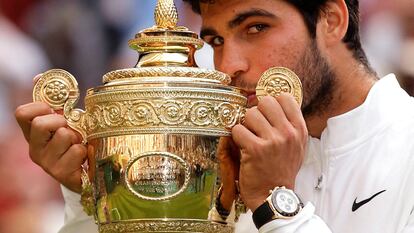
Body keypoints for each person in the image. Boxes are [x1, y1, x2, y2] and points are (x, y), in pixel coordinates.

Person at [14, 0, 414, 233]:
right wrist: (93, 192)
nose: (229, 65)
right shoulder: (226, 157)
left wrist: (276, 204)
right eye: (216, 40)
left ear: (332, 20)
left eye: (257, 27)